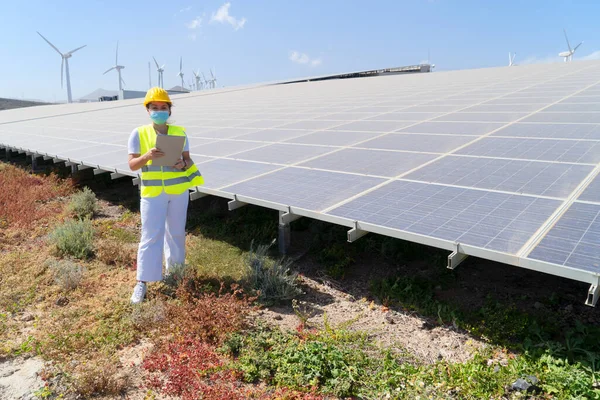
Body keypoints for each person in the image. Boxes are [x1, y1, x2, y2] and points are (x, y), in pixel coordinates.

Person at [127, 87, 204, 304]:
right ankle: (142, 282)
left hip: (178, 191)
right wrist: (147, 156)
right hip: (153, 194)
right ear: (148, 110)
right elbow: (132, 165)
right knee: (151, 236)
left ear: (169, 110)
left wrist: (183, 163)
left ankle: (176, 276)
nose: (159, 111)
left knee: (176, 234)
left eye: (163, 107)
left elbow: (188, 159)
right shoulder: (139, 133)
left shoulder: (179, 132)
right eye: (155, 107)